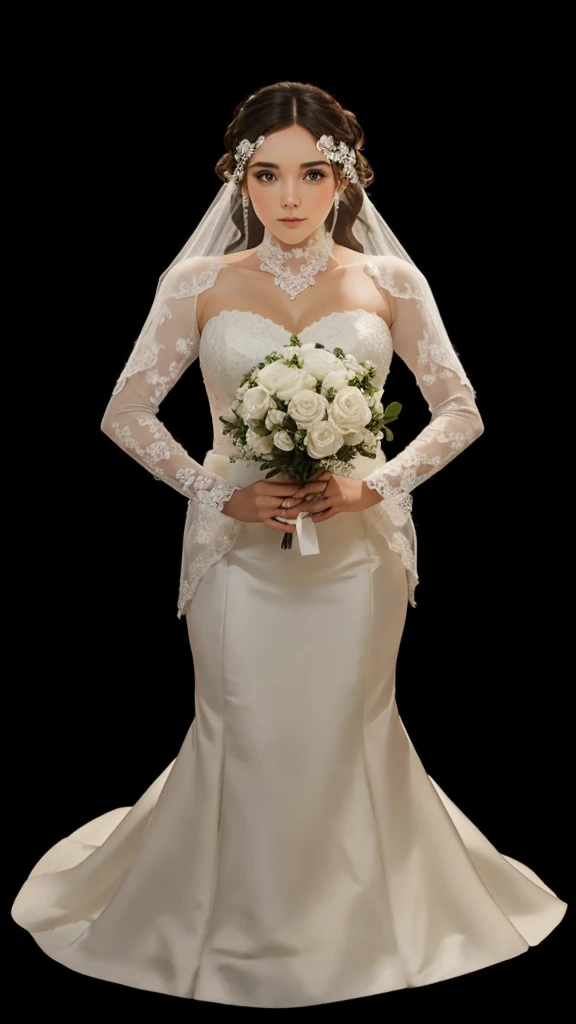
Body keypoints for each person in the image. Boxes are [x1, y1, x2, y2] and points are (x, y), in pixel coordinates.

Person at [11, 81, 567, 1009]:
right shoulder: (196, 284)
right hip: (237, 553)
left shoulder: (390, 282)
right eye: (266, 174)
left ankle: (359, 927)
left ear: (346, 177)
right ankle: (222, 927)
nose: (291, 198)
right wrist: (213, 490)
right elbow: (127, 412)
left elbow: (461, 410)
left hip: (355, 554)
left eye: (313, 173)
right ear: (239, 179)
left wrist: (372, 482)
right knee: (245, 727)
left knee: (345, 729)